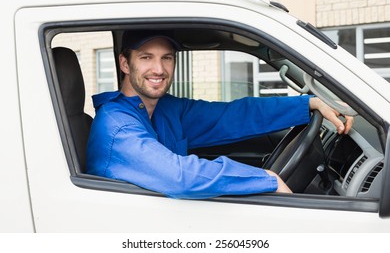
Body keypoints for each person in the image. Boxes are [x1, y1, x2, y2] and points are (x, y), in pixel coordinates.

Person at [86, 30, 353, 199]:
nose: (159, 68)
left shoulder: (166, 109)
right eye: (146, 57)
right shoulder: (116, 125)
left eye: (167, 58)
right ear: (124, 63)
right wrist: (265, 178)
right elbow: (178, 176)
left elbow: (232, 115)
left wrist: (308, 104)